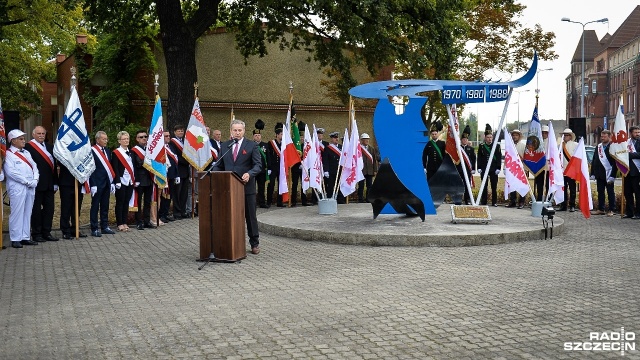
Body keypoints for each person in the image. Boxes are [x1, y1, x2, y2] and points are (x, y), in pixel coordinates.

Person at [212, 119, 263, 254]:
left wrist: (250, 174)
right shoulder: (225, 146)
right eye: (235, 130)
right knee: (229, 216)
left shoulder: (251, 146)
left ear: (244, 131)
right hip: (228, 189)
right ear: (230, 131)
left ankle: (254, 243)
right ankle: (231, 242)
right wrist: (212, 173)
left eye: (240, 130)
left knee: (250, 216)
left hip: (246, 188)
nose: (237, 132)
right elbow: (219, 164)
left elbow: (258, 165)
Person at [4, 129, 39, 248]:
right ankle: (15, 238)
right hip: (17, 187)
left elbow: (34, 166)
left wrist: (35, 179)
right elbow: (11, 172)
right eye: (21, 139)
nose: (24, 141)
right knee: (17, 212)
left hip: (30, 186)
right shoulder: (8, 154)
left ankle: (25, 236)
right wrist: (27, 181)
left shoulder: (26, 153)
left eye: (23, 138)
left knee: (27, 212)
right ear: (13, 141)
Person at [25, 125, 59, 242]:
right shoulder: (28, 147)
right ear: (33, 134)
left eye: (43, 134)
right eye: (38, 133)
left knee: (49, 209)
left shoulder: (50, 147)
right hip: (37, 184)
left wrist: (55, 182)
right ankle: (37, 233)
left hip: (49, 185)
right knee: (36, 210)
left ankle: (47, 232)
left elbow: (53, 167)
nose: (41, 135)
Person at [89, 131, 116, 237]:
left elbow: (109, 168)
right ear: (97, 139)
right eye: (104, 139)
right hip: (97, 182)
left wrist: (112, 182)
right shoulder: (92, 151)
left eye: (106, 139)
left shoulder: (108, 151)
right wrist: (93, 184)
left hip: (107, 182)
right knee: (95, 206)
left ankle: (104, 226)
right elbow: (90, 169)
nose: (106, 141)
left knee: (105, 205)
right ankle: (94, 228)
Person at [130, 130, 156, 230]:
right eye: (141, 137)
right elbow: (136, 165)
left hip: (149, 178)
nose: (144, 138)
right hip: (140, 179)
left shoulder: (150, 149)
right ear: (137, 139)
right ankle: (138, 222)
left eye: (145, 136)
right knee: (139, 201)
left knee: (147, 202)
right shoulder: (134, 150)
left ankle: (146, 221)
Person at [111, 131, 135, 231]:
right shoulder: (116, 153)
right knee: (120, 202)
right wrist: (117, 181)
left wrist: (135, 179)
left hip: (130, 180)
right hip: (121, 180)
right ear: (119, 141)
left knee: (126, 202)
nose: (126, 141)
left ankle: (125, 222)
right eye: (124, 139)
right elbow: (115, 167)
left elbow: (133, 167)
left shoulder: (131, 152)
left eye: (127, 139)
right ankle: (119, 223)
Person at [590, 129, 617, 216]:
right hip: (599, 174)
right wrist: (593, 173)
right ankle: (601, 209)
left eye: (604, 136)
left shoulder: (613, 147)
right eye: (601, 136)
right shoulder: (598, 147)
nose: (602, 138)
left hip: (609, 174)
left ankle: (611, 209)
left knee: (610, 192)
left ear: (609, 137)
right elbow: (594, 160)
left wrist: (613, 175)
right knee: (600, 192)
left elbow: (615, 163)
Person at [58, 162, 87, 239]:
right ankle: (65, 230)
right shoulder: (63, 150)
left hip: (78, 182)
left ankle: (75, 229)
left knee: (76, 209)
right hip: (66, 183)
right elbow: (60, 162)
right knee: (66, 208)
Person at [477, 125, 501, 206]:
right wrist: (479, 167)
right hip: (484, 168)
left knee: (494, 186)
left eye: (491, 137)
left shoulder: (496, 146)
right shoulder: (482, 146)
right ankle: (484, 201)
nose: (489, 139)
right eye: (488, 137)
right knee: (484, 186)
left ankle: (494, 202)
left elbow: (498, 157)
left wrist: (498, 168)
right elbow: (479, 157)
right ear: (485, 137)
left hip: (493, 169)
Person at [169, 124, 190, 219]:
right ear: (174, 132)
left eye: (182, 130)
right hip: (178, 171)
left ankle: (183, 211)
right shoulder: (172, 143)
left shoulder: (185, 141)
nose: (180, 132)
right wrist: (187, 161)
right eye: (178, 131)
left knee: (184, 193)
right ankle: (177, 212)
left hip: (186, 171)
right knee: (177, 193)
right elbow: (175, 156)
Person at [557, 128, 578, 212]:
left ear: (571, 136)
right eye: (564, 135)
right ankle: (563, 205)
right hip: (562, 170)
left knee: (572, 189)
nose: (565, 136)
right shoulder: (559, 146)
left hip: (571, 170)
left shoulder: (575, 145)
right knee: (563, 189)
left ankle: (572, 205)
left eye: (567, 135)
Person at [506, 129, 526, 208]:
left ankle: (521, 202)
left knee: (521, 186)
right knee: (512, 186)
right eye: (513, 135)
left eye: (516, 135)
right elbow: (507, 157)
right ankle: (512, 201)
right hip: (512, 169)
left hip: (521, 169)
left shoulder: (523, 146)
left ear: (519, 136)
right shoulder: (510, 145)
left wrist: (526, 169)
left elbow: (526, 158)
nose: (514, 137)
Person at [160, 131, 178, 223]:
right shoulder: (160, 148)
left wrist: (176, 174)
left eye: (169, 136)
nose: (168, 137)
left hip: (172, 175)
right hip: (164, 175)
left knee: (169, 196)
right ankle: (161, 214)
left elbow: (175, 161)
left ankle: (166, 213)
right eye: (166, 136)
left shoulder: (170, 147)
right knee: (164, 196)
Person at [323, 131, 345, 203]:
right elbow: (325, 160)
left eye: (337, 137)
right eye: (334, 138)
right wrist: (326, 170)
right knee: (331, 186)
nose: (336, 139)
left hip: (340, 170)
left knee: (340, 185)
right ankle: (330, 199)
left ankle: (340, 199)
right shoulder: (327, 148)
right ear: (331, 139)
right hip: (331, 170)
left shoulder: (341, 147)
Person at [291, 120, 309, 206]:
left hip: (304, 168)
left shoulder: (305, 146)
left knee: (304, 185)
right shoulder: (295, 145)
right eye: (300, 137)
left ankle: (304, 201)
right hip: (295, 167)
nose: (301, 139)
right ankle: (293, 201)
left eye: (302, 137)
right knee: (294, 184)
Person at [624, 125, 640, 218]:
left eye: (638, 132)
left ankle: (638, 213)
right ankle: (629, 212)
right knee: (628, 193)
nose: (638, 134)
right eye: (636, 132)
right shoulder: (626, 142)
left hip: (637, 171)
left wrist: (629, 155)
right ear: (631, 133)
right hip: (627, 171)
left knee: (638, 193)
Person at [357, 133, 379, 203]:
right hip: (361, 170)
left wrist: (375, 170)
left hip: (370, 170)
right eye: (365, 139)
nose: (367, 141)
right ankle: (360, 199)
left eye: (368, 139)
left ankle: (368, 199)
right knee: (361, 185)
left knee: (369, 186)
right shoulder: (359, 149)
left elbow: (374, 160)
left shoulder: (371, 149)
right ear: (362, 140)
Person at [266, 123, 284, 208]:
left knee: (281, 185)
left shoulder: (284, 144)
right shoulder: (271, 143)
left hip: (281, 167)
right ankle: (269, 202)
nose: (282, 135)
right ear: (277, 135)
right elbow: (268, 156)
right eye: (281, 134)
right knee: (271, 184)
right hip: (273, 167)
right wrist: (269, 167)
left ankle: (279, 202)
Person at [253, 119, 269, 208]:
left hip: (262, 170)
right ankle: (253, 203)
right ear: (253, 137)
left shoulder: (265, 145)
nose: (257, 137)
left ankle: (262, 202)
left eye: (259, 135)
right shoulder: (250, 145)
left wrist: (269, 167)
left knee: (261, 187)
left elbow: (268, 157)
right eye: (256, 135)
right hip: (253, 169)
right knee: (253, 187)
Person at [459, 125, 476, 205]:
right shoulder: (458, 148)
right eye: (463, 139)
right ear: (461, 140)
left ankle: (467, 200)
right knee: (459, 185)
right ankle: (458, 200)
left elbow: (473, 159)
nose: (465, 140)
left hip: (468, 170)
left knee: (467, 186)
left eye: (466, 139)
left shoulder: (471, 149)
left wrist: (473, 169)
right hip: (459, 170)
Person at [533, 125, 550, 201]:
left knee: (547, 185)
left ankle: (547, 200)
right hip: (538, 167)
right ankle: (539, 199)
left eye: (545, 133)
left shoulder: (551, 143)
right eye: (542, 133)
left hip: (547, 167)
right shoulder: (537, 142)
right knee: (539, 185)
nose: (544, 134)